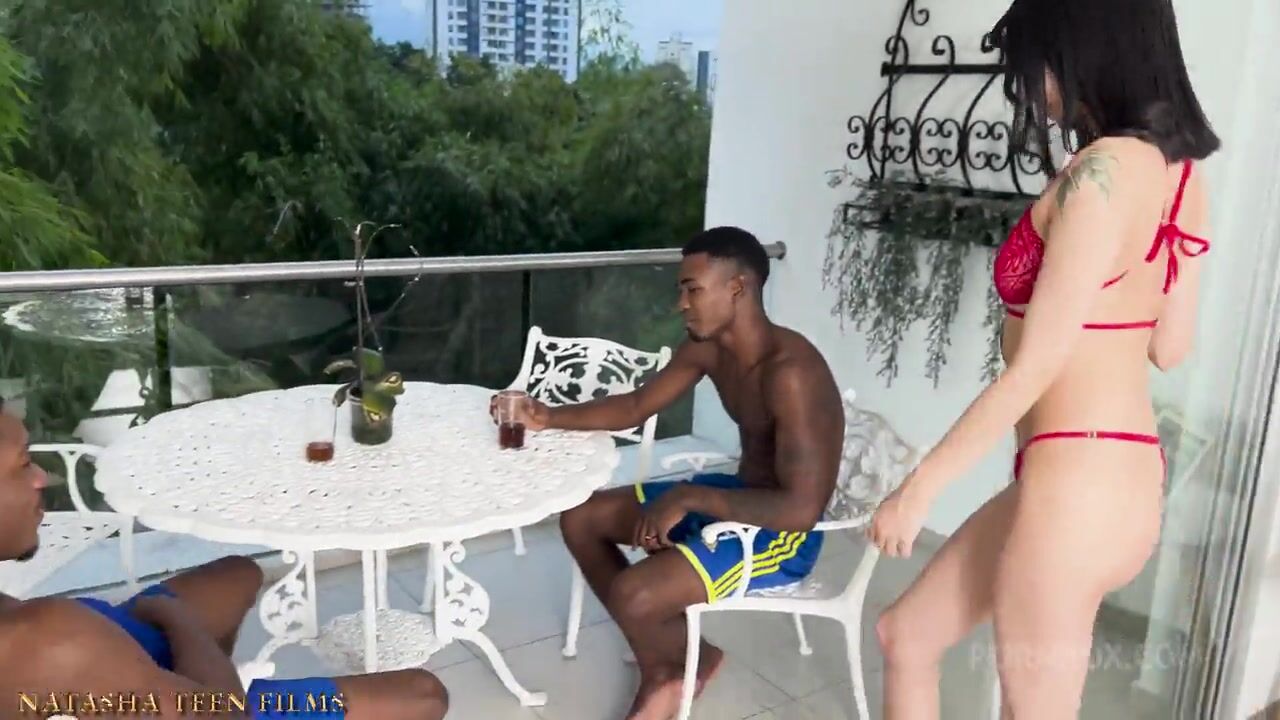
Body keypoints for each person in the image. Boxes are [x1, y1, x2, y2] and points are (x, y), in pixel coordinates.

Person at [866, 0, 1220, 718]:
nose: (1032, 87)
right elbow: (1169, 347)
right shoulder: (1179, 175)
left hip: (1073, 492)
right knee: (905, 635)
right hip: (1115, 482)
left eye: (1037, 65)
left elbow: (1037, 366)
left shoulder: (1100, 176)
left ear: (1084, 49)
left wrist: (920, 486)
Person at [499, 226, 845, 720]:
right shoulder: (709, 346)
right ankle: (677, 659)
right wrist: (547, 416)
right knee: (581, 518)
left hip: (784, 534)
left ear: (738, 288)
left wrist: (688, 497)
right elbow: (636, 406)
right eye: (682, 290)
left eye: (692, 289)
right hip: (737, 497)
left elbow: (801, 510)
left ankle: (668, 671)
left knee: (633, 593)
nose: (681, 304)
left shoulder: (791, 373)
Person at [0, 411, 450, 720]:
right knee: (423, 694)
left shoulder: (42, 630)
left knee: (238, 574)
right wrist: (177, 621)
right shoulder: (49, 640)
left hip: (118, 663)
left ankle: (195, 677)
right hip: (213, 707)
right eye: (22, 466)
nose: (41, 478)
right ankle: (208, 680)